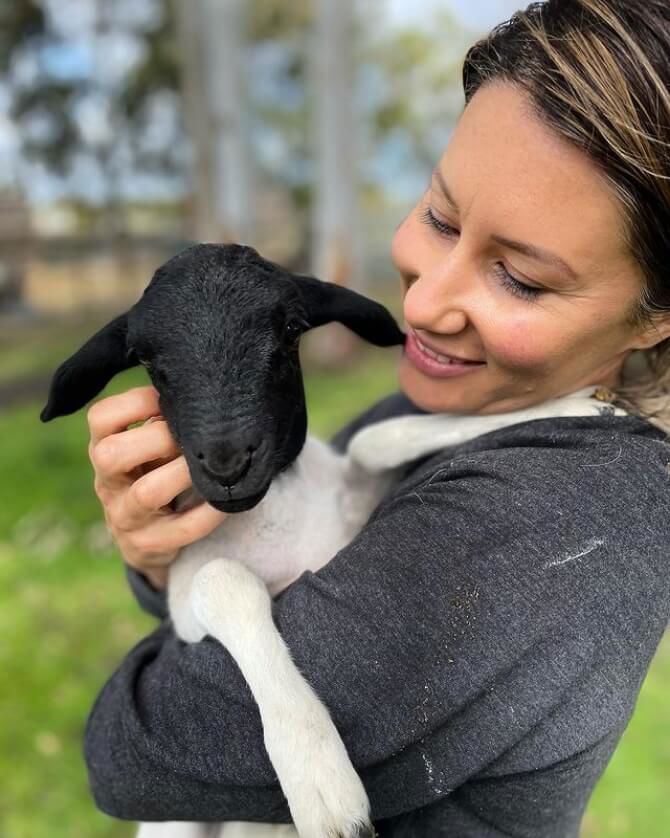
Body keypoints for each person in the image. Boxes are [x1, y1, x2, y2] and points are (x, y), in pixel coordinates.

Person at [82, 1, 670, 836]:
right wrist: (160, 551)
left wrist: (187, 622)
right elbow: (279, 548)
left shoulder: (575, 512)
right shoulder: (456, 404)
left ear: (656, 316)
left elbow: (133, 749)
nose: (423, 301)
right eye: (439, 215)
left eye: (522, 280)